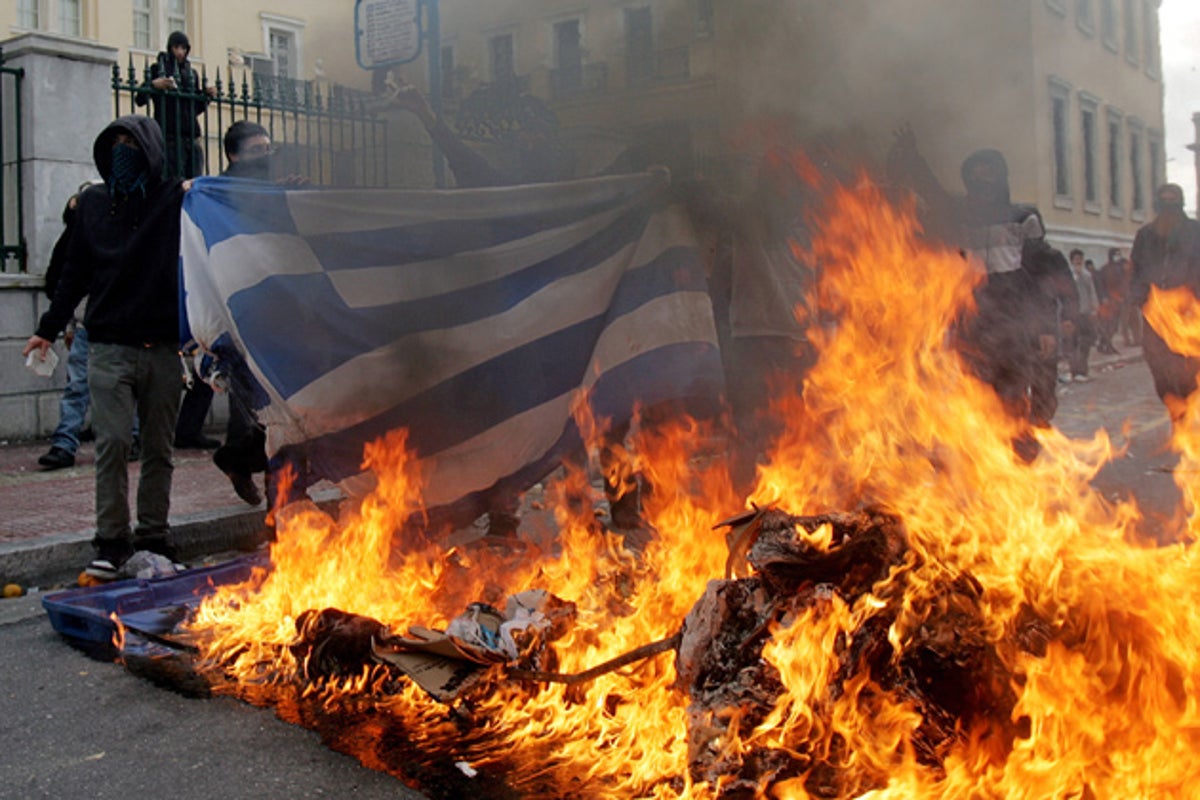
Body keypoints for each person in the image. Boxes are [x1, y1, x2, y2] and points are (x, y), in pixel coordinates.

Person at [23, 115, 189, 580]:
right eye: (114, 142)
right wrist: (48, 328)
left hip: (163, 348)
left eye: (131, 143)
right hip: (109, 347)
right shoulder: (92, 204)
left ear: (151, 149)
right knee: (113, 443)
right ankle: (112, 542)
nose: (122, 150)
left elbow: (219, 201)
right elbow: (74, 271)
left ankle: (154, 535)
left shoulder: (172, 198)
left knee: (159, 448)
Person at [888, 134, 1076, 454]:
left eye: (989, 174)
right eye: (975, 175)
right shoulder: (959, 214)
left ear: (1001, 177)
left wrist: (1047, 326)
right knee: (978, 393)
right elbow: (932, 192)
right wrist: (913, 157)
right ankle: (993, 460)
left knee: (1016, 391)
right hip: (975, 319)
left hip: (1018, 319)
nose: (982, 182)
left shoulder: (1023, 217)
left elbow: (1043, 273)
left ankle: (1021, 450)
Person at [1129, 183, 1200, 417]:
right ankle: (1175, 408)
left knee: (1188, 368)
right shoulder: (1145, 235)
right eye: (1164, 202)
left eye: (1173, 202)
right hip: (1155, 314)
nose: (1168, 208)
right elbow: (1136, 270)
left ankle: (1186, 411)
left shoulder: (1195, 232)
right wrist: (1137, 298)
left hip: (1189, 313)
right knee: (1160, 369)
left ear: (1180, 205)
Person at [135, 30, 216, 179]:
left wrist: (206, 96)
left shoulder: (192, 74)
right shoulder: (157, 68)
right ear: (170, 48)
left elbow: (194, 109)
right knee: (173, 182)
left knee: (194, 182)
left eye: (184, 48)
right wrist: (153, 85)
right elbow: (140, 100)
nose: (180, 52)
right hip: (169, 136)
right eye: (176, 47)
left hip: (191, 136)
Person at [1064, 248, 1099, 382]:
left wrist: (1094, 309)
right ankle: (1074, 371)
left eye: (1080, 259)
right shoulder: (1068, 275)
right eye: (1076, 259)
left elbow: (1092, 292)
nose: (1078, 261)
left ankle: (1083, 370)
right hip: (1072, 314)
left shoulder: (1087, 275)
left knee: (1086, 342)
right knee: (1072, 343)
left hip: (1085, 313)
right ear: (1072, 260)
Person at [1094, 247, 1126, 355]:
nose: (1117, 256)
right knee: (1107, 325)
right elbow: (1100, 286)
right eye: (1116, 254)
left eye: (1119, 254)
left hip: (1118, 301)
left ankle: (1105, 344)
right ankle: (1107, 345)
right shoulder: (1104, 270)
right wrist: (1103, 298)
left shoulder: (1121, 269)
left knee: (1115, 326)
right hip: (1107, 302)